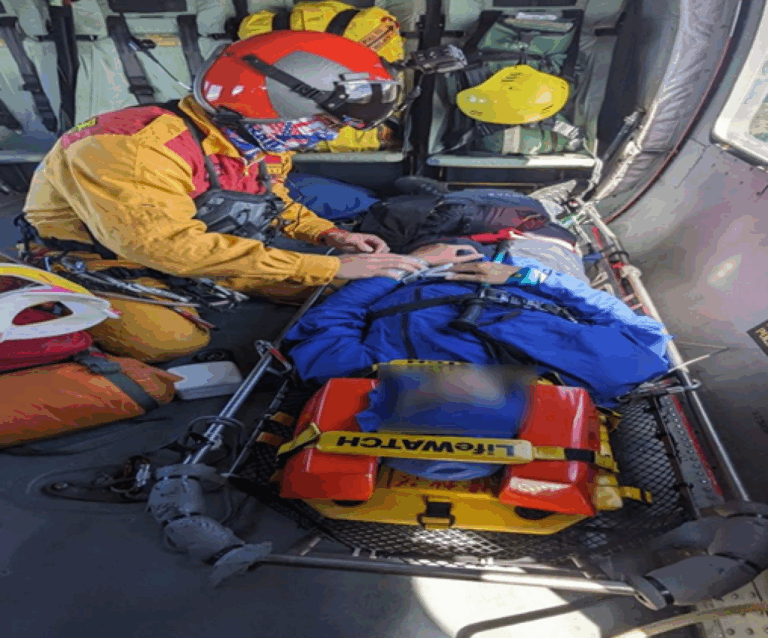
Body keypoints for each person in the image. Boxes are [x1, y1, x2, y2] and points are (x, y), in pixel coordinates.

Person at [15, 31, 429, 363]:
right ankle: (53, 295)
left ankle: (212, 283)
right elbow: (164, 245)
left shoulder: (259, 138)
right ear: (271, 101)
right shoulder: (133, 147)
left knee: (341, 287)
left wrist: (329, 236)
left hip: (204, 247)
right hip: (106, 257)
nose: (332, 135)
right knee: (170, 341)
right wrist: (325, 265)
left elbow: (274, 199)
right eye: (327, 122)